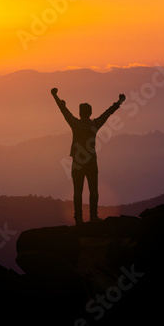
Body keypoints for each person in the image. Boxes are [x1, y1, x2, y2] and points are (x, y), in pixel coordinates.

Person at [51, 88, 126, 225]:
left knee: (77, 191)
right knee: (93, 190)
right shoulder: (94, 124)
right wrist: (119, 102)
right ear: (90, 113)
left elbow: (64, 112)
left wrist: (55, 96)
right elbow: (107, 114)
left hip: (77, 162)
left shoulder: (75, 124)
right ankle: (93, 216)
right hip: (91, 161)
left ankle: (78, 218)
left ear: (80, 113)